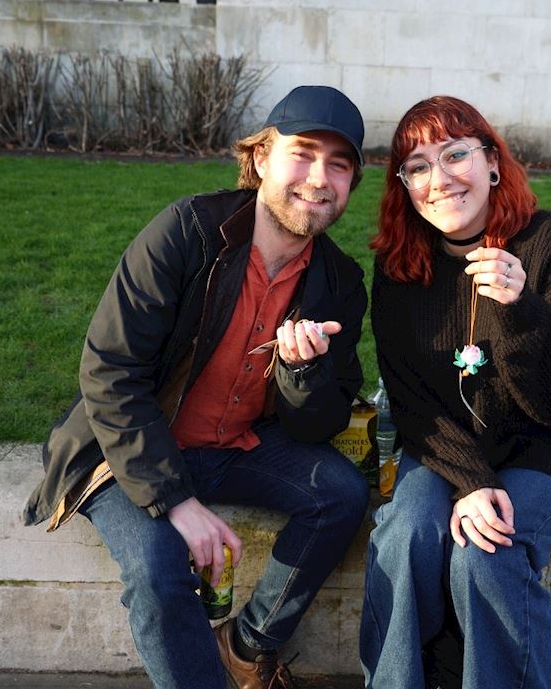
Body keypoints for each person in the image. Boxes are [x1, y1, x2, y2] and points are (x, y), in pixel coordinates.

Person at [22, 86, 372, 689]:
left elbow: (320, 424)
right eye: (303, 154)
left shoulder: (339, 281)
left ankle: (245, 646)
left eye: (338, 165)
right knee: (158, 568)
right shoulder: (188, 232)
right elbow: (110, 370)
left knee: (341, 494)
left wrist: (301, 373)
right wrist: (177, 503)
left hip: (235, 445)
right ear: (261, 157)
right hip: (132, 446)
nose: (319, 179)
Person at [359, 96, 551, 689]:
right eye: (417, 167)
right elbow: (411, 397)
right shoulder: (399, 266)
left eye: (455, 155)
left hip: (550, 443)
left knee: (486, 551)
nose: (439, 180)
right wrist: (471, 481)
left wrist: (520, 309)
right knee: (406, 534)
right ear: (404, 186)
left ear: (493, 162)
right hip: (447, 442)